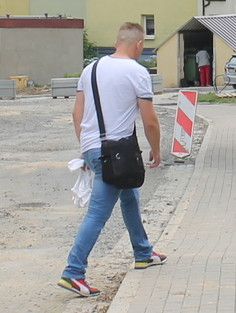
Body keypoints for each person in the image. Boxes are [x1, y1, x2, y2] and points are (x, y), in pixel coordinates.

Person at [61, 22, 166, 297]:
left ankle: (143, 252)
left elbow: (77, 114)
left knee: (129, 195)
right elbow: (150, 120)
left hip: (95, 147)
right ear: (139, 45)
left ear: (117, 41)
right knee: (98, 212)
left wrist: (86, 149)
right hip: (117, 152)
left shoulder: (90, 69)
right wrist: (156, 149)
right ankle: (73, 271)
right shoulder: (137, 72)